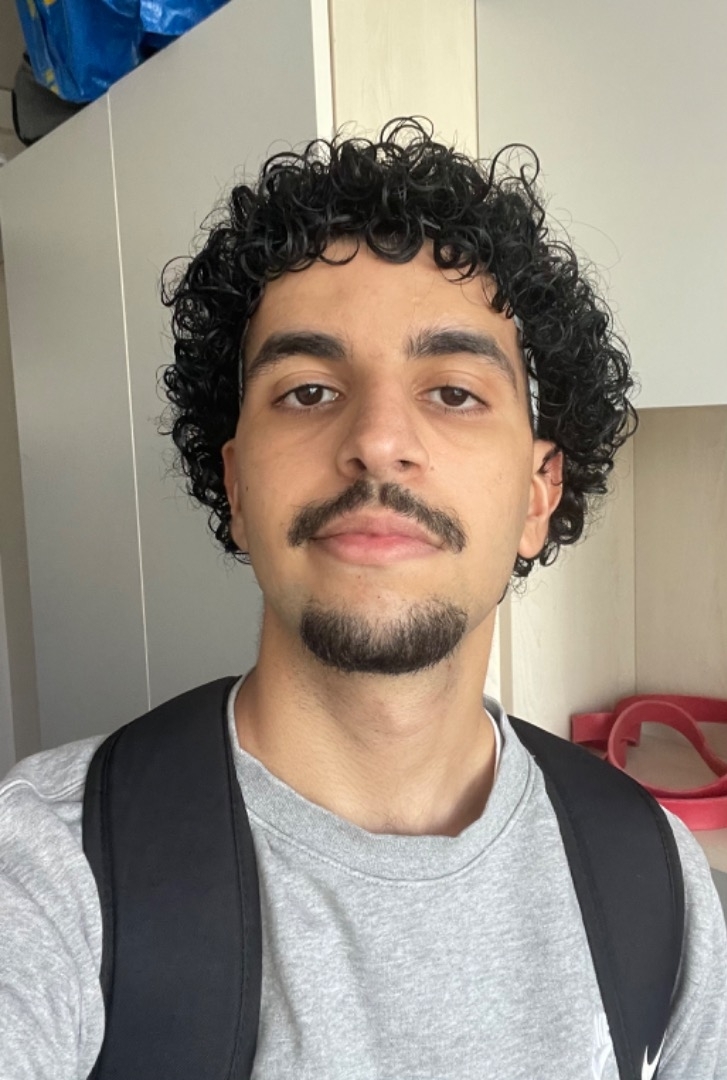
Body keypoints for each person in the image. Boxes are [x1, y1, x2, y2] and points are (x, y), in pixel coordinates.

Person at [1, 118, 725, 1080]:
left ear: (536, 495)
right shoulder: (47, 870)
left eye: (454, 392)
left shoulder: (654, 876)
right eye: (307, 390)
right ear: (237, 489)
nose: (378, 440)